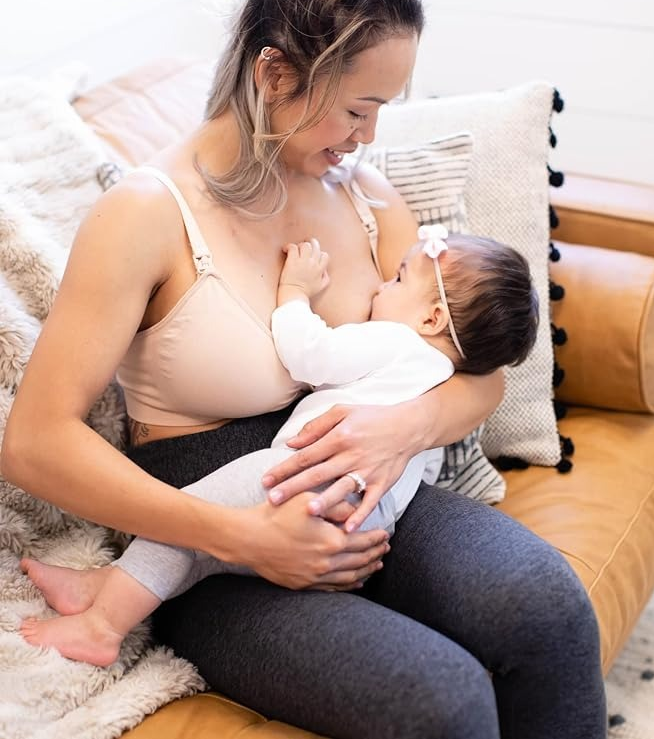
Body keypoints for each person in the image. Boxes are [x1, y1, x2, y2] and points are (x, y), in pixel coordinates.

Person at [1, 0, 607, 739]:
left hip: (366, 486)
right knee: (440, 700)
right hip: (205, 539)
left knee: (547, 609)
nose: (368, 135)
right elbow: (35, 441)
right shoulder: (146, 214)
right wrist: (240, 535)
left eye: (383, 108)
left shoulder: (364, 198)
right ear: (276, 74)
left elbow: (477, 376)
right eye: (357, 109)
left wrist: (406, 427)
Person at [19, 226, 540, 667]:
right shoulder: (442, 381)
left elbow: (309, 354)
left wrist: (294, 292)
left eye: (400, 279)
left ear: (431, 320)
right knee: (205, 553)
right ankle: (104, 588)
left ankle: (104, 628)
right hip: (363, 524)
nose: (384, 285)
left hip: (302, 474)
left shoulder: (395, 342)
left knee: (188, 520)